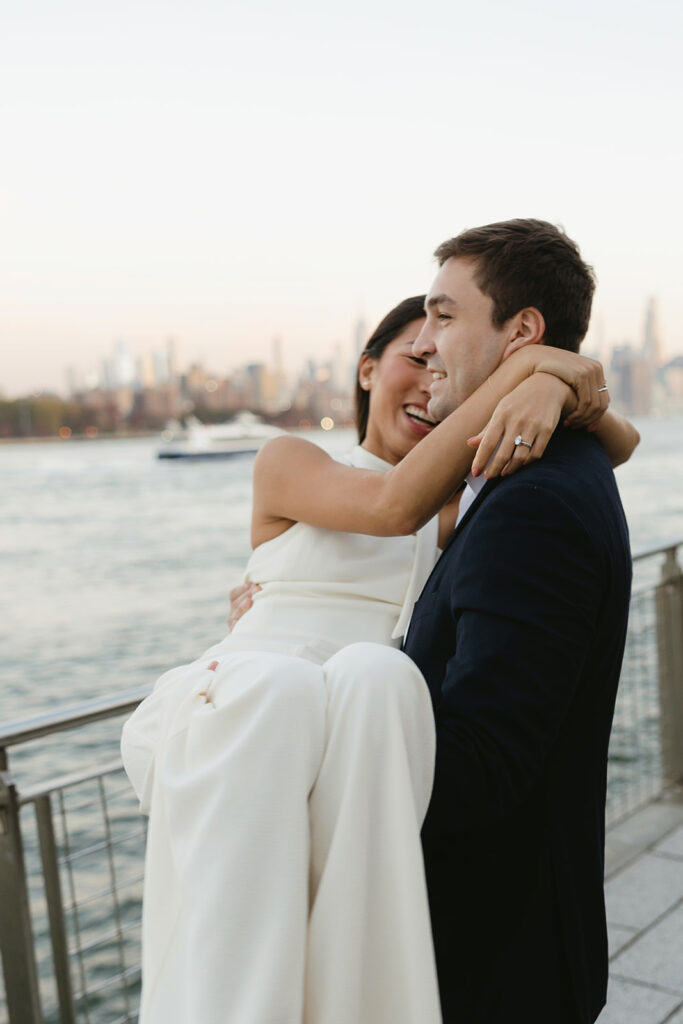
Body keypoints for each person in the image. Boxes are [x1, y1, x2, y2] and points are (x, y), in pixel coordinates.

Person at [122, 286, 636, 1023]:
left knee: (325, 959)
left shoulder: (465, 504)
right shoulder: (293, 460)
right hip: (250, 707)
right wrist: (529, 374)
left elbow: (620, 443)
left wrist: (551, 381)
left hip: (346, 742)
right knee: (234, 956)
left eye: (442, 363)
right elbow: (391, 505)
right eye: (414, 357)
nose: (431, 381)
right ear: (366, 371)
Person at [402, 219, 634, 1024]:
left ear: (522, 333)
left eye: (441, 314)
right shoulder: (536, 473)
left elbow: (480, 767)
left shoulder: (531, 505)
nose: (422, 343)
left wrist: (307, 726)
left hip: (497, 965)